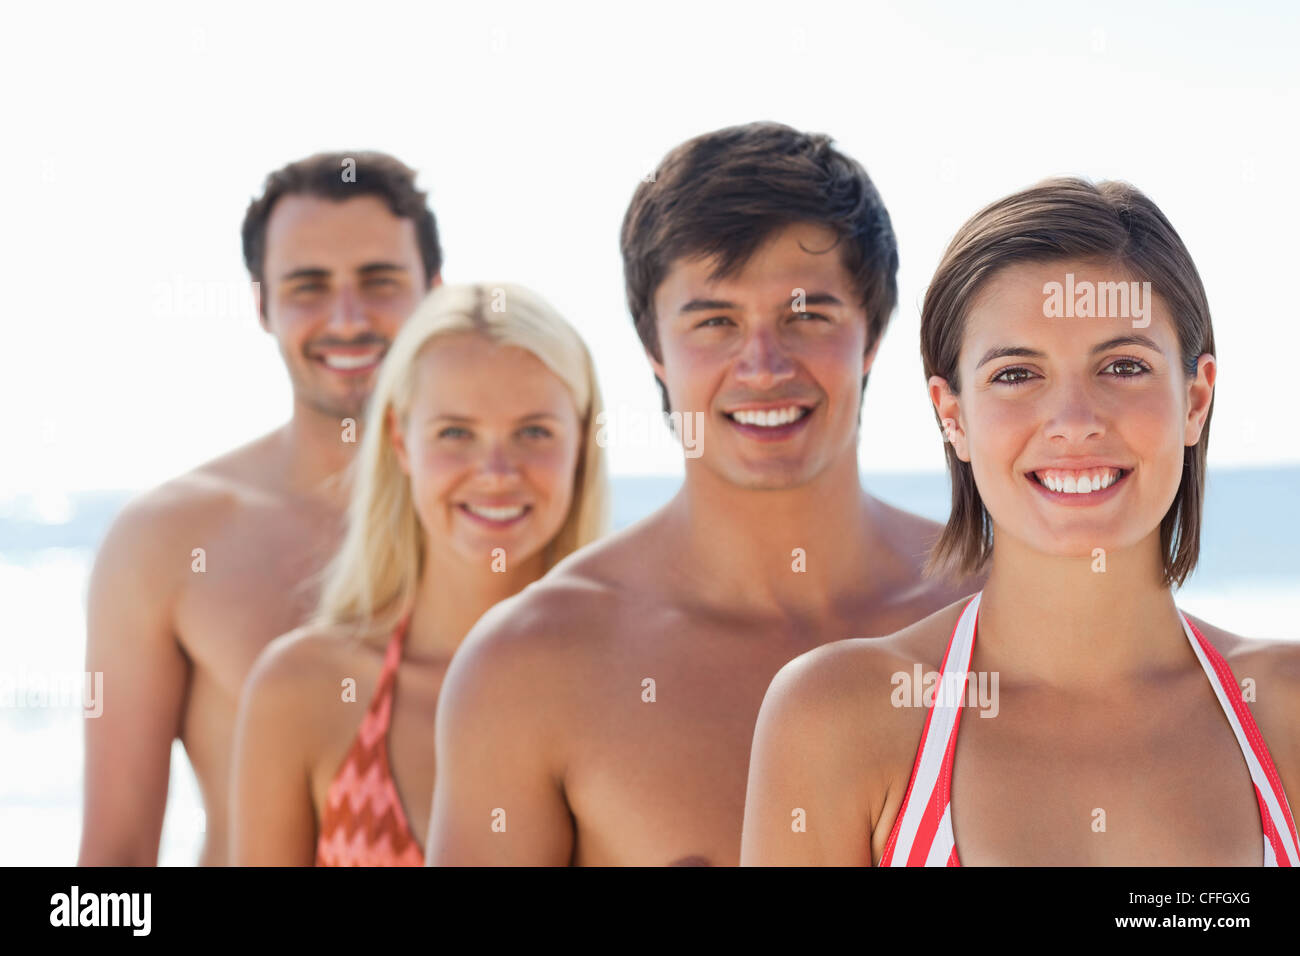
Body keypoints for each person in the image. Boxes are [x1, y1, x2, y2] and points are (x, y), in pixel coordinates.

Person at [426, 122, 981, 866]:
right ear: (654, 351)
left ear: (872, 333)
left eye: (806, 314)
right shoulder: (530, 666)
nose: (762, 364)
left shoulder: (1004, 609)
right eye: (714, 321)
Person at [741, 177, 1299, 866]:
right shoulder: (838, 717)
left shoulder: (1289, 712)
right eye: (1015, 374)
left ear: (1195, 399)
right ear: (954, 416)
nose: (1074, 423)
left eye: (1123, 366)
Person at [79, 151, 442, 865]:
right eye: (308, 286)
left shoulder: (502, 516)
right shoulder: (167, 540)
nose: (348, 317)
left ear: (433, 291)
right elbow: (113, 863)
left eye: (379, 281)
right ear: (261, 305)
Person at [229, 282, 609, 865]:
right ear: (401, 443)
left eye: (534, 431)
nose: (496, 472)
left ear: (582, 443)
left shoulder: (629, 683)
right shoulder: (301, 689)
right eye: (455, 432)